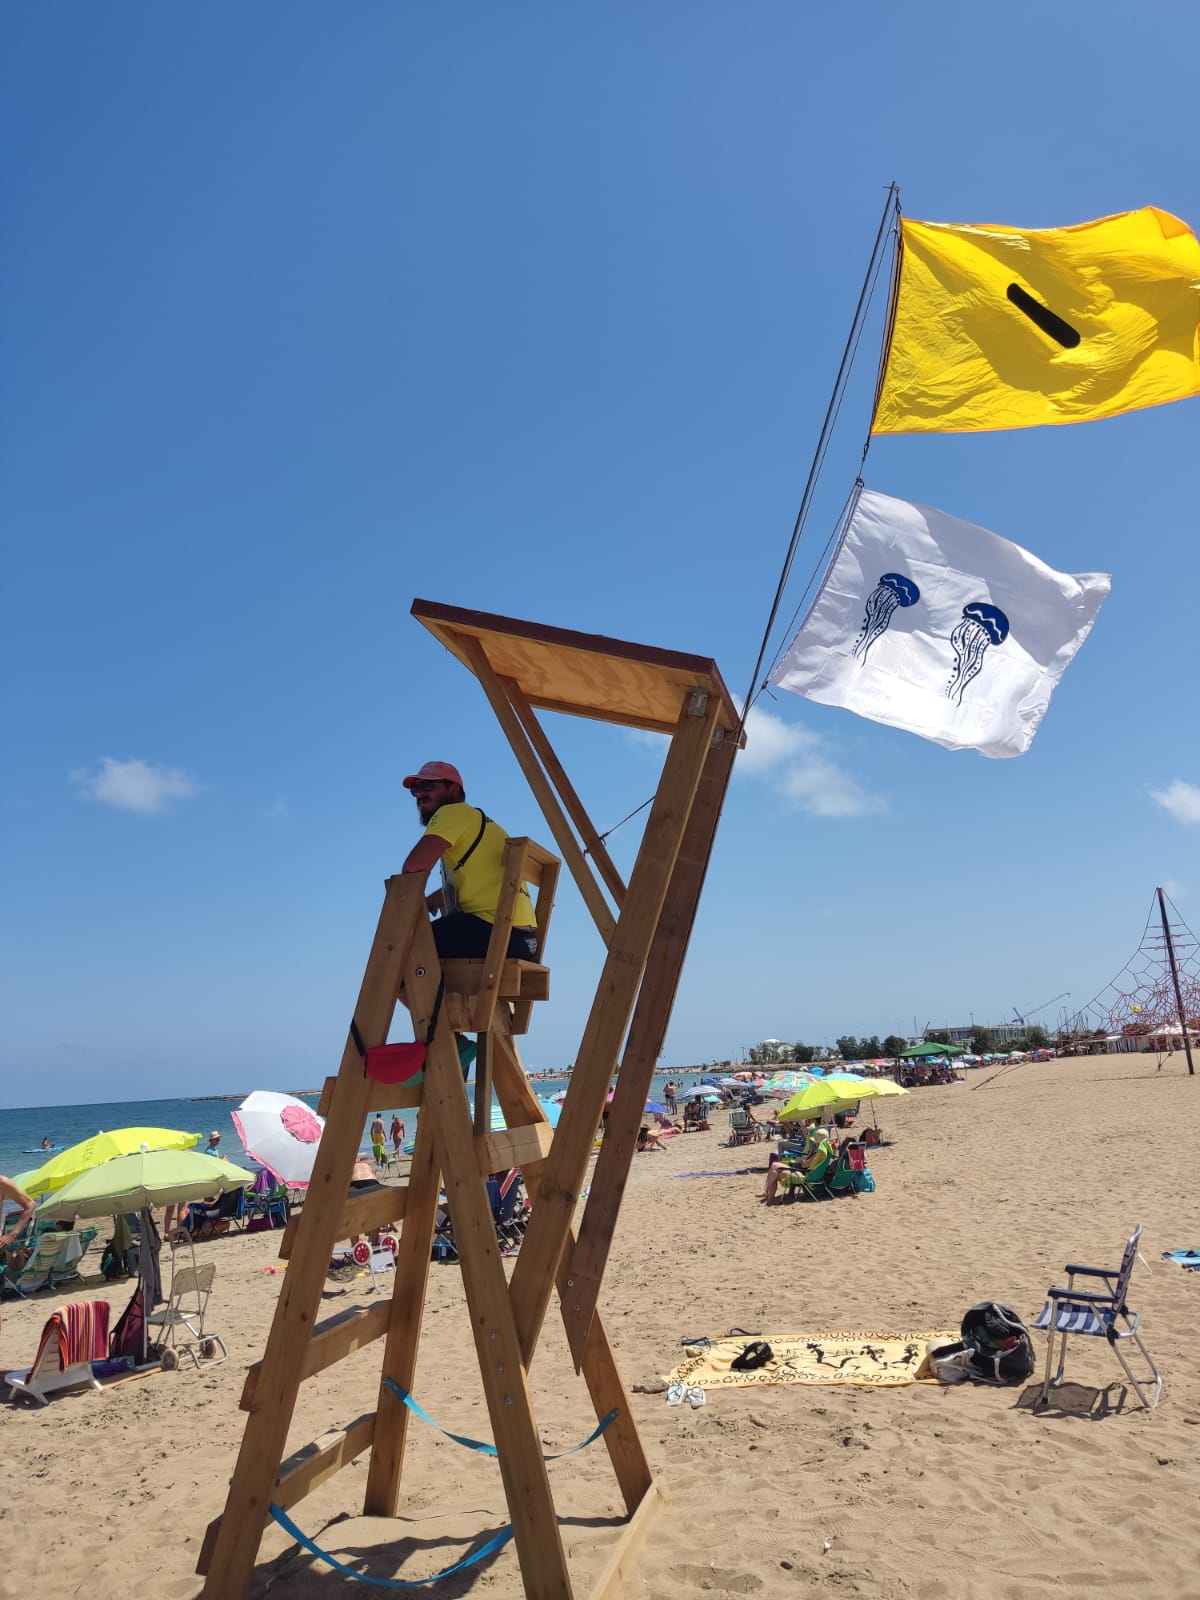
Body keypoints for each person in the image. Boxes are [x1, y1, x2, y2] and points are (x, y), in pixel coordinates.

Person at [401, 762, 538, 960]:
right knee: (423, 950)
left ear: (454, 789)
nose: (420, 793)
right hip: (523, 942)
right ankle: (433, 990)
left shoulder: (453, 812)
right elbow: (486, 881)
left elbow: (413, 868)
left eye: (428, 786)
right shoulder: (476, 821)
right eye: (415, 789)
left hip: (496, 934)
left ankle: (427, 991)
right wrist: (435, 898)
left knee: (399, 947)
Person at [759, 1129, 835, 1203]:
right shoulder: (826, 1151)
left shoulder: (818, 1154)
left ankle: (769, 1197)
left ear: (817, 1142)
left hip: (806, 1176)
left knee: (775, 1169)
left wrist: (804, 1157)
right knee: (775, 1167)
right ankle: (768, 1196)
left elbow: (804, 1165)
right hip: (814, 1175)